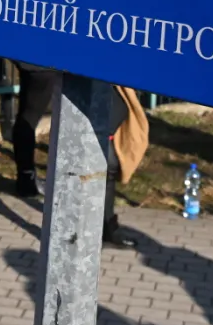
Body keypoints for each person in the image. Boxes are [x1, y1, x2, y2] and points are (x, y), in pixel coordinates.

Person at [11, 64, 136, 248]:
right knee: (86, 154)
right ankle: (75, 230)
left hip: (88, 74)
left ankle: (102, 226)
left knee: (102, 157)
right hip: (63, 71)